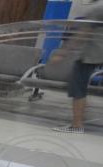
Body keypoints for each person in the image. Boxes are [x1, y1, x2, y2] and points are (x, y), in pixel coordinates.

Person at [53, 1, 103, 134]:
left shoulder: (97, 8)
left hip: (91, 54)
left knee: (77, 88)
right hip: (97, 53)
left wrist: (63, 51)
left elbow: (82, 34)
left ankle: (76, 125)